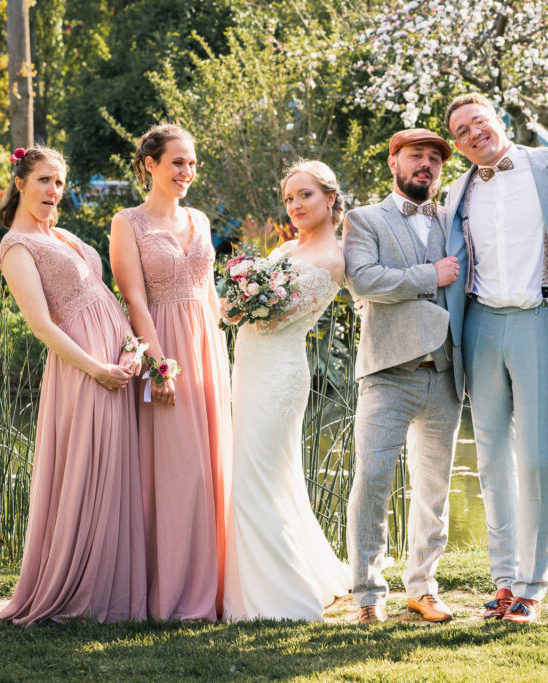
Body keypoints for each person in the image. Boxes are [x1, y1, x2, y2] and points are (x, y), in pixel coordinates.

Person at [0, 146, 147, 624]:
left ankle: (114, 590)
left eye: (59, 182)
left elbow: (104, 297)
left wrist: (129, 350)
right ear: (20, 182)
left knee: (116, 470)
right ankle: (77, 591)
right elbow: (41, 325)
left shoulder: (60, 233)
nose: (53, 191)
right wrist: (96, 369)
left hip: (114, 364)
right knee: (88, 470)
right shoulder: (17, 246)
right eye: (43, 180)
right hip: (83, 371)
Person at [441, 94, 548, 624]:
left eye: (481, 121)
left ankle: (533, 584)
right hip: (479, 326)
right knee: (492, 458)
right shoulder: (458, 191)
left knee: (537, 457)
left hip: (539, 320)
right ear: (457, 145)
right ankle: (503, 581)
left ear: (500, 121)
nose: (475, 133)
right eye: (462, 131)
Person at [110, 124, 232, 622]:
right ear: (150, 165)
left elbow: (208, 293)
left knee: (210, 468)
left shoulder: (200, 220)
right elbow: (135, 299)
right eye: (177, 162)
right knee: (177, 470)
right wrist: (160, 366)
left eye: (193, 163)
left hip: (207, 347)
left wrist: (245, 311)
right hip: (164, 346)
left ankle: (215, 589)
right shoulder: (128, 222)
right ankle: (171, 594)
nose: (187, 172)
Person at [343, 129, 464, 624]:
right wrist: (427, 276)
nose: (427, 165)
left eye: (435, 159)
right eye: (416, 156)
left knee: (433, 489)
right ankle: (369, 594)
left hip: (445, 374)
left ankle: (423, 586)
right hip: (388, 373)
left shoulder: (453, 220)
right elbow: (364, 279)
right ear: (393, 161)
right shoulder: (363, 219)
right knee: (372, 480)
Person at [222, 160, 351, 621]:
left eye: (305, 195)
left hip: (279, 376)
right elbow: (246, 312)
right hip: (250, 368)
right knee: (264, 474)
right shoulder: (286, 248)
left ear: (330, 198)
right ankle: (295, 572)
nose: (295, 205)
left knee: (258, 476)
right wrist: (236, 297)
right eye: (289, 198)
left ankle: (281, 594)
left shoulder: (330, 260)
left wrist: (230, 299)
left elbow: (272, 317)